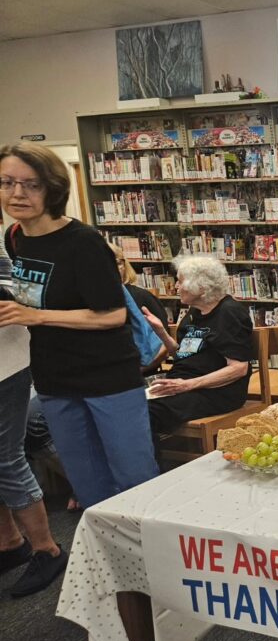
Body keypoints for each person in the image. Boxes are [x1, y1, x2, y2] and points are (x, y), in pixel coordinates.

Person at [0, 142, 159, 509]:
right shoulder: (15, 237)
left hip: (107, 380)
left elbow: (112, 315)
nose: (17, 193)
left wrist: (37, 316)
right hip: (54, 380)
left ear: (52, 188)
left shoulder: (83, 242)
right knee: (87, 484)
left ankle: (151, 562)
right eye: (7, 182)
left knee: (134, 480)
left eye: (31, 184)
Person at [0, 240, 67, 597]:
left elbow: (16, 293)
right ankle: (11, 543)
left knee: (7, 456)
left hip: (4, 362)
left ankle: (47, 549)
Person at [144, 256, 253, 434]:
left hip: (214, 392)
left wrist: (186, 385)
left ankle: (148, 460)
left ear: (201, 287)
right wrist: (160, 331)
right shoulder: (195, 311)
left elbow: (239, 368)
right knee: (126, 400)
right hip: (184, 383)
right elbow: (184, 354)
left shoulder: (229, 313)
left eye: (180, 281)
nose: (176, 287)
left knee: (147, 413)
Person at [110, 242, 169, 374]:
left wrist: (135, 373)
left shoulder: (142, 297)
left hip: (140, 373)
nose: (113, 268)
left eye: (118, 263)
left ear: (125, 266)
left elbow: (164, 347)